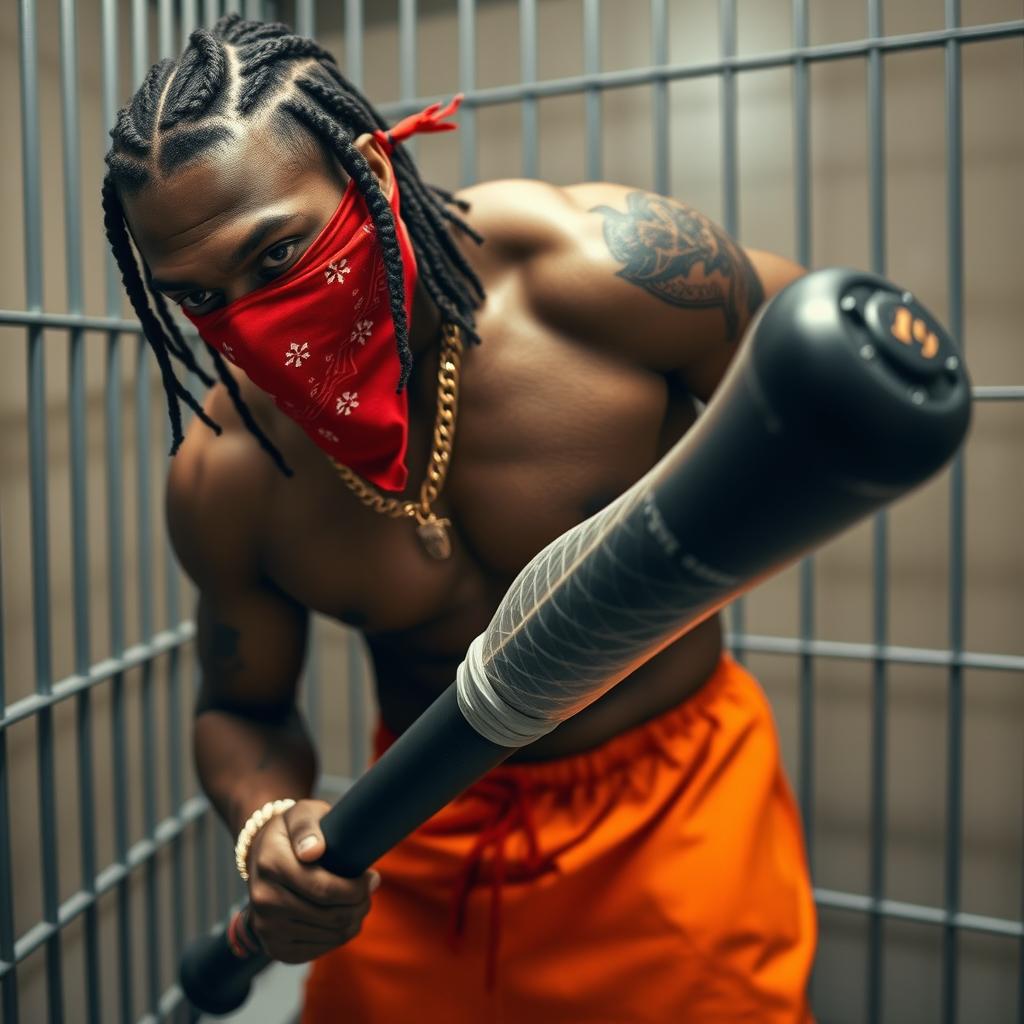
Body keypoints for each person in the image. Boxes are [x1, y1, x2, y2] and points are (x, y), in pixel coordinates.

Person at [103, 14, 816, 1023]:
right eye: (201, 300)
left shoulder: (600, 273)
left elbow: (836, 375)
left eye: (277, 258)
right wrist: (266, 824)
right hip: (417, 833)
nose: (252, 323)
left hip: (676, 805)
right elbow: (242, 707)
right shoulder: (229, 475)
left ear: (371, 168)